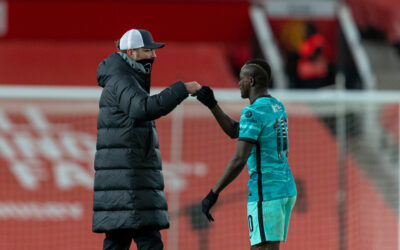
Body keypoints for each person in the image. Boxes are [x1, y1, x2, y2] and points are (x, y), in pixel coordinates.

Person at [92, 28, 201, 250]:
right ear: (131, 52)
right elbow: (144, 108)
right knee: (148, 242)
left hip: (127, 184)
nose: (153, 56)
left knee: (120, 242)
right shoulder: (122, 80)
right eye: (147, 50)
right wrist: (182, 89)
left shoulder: (123, 79)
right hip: (130, 184)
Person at [197, 59, 297, 250]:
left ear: (251, 81)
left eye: (241, 79)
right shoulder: (277, 106)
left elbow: (239, 158)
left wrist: (213, 193)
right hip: (285, 189)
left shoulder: (253, 112)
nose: (238, 83)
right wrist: (212, 105)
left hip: (265, 193)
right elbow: (236, 130)